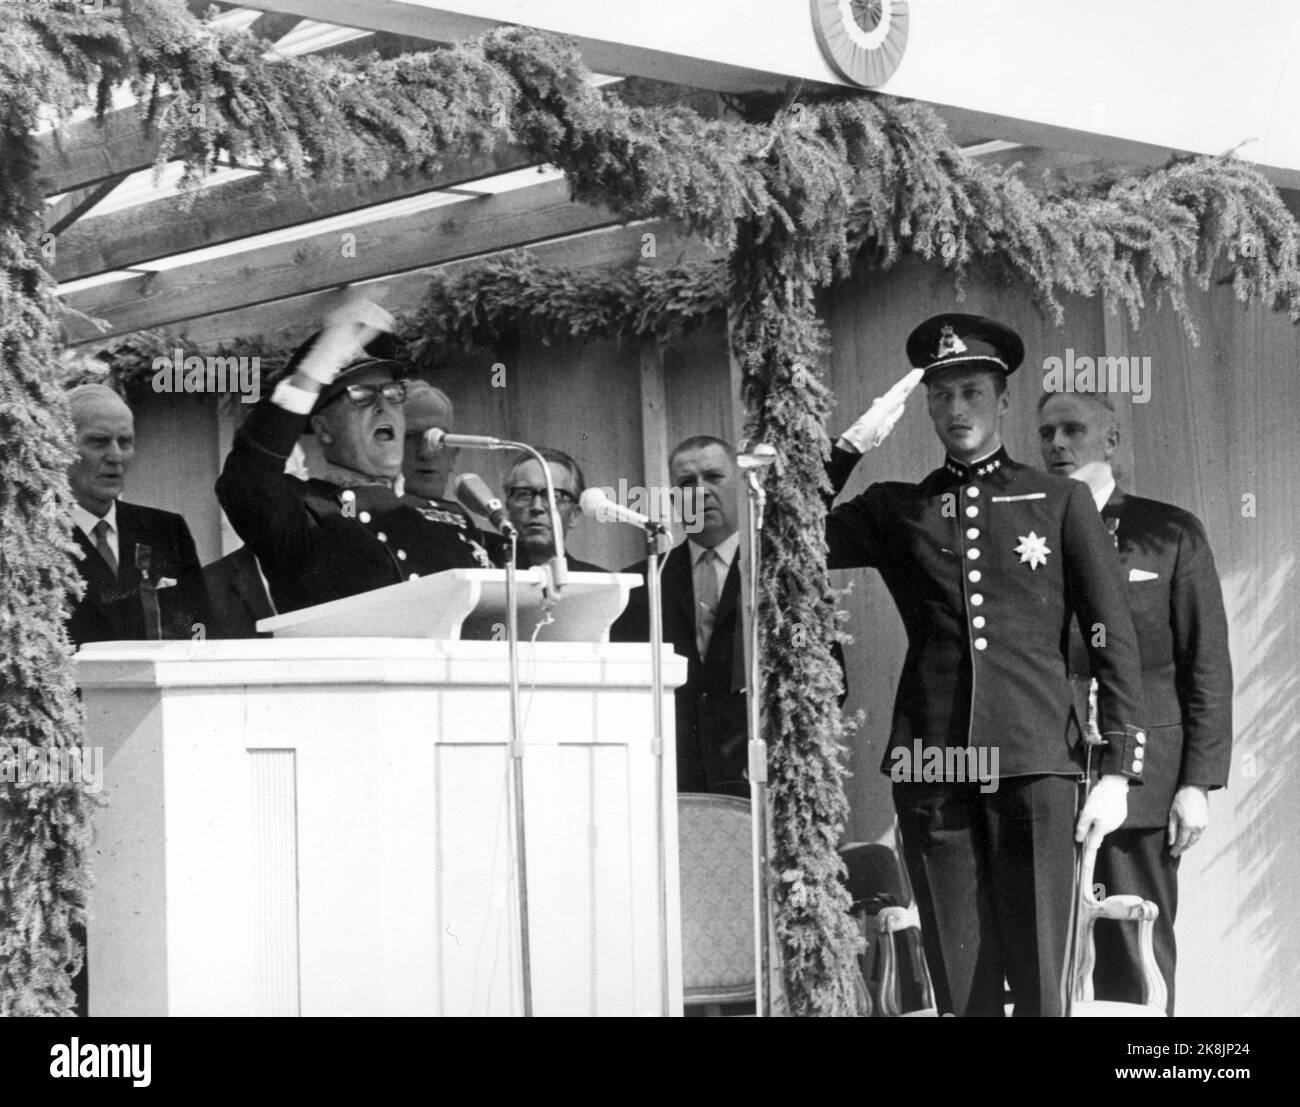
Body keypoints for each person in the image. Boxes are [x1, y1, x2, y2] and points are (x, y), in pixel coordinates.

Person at [824, 313, 1147, 1017]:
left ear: (1003, 399)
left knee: (1040, 986)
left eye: (972, 391)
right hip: (933, 765)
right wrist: (847, 448)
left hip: (1036, 758)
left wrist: (1118, 768)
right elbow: (784, 534)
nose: (957, 409)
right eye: (941, 396)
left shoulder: (1059, 500)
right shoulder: (897, 508)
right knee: (960, 982)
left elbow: (1111, 634)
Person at [1038, 389, 1233, 1013]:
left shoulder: (1166, 533)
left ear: (1111, 442)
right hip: (1050, 773)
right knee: (1050, 960)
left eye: (1072, 430)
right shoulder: (1027, 533)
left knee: (1135, 952)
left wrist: (1197, 783)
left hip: (1143, 786)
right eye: (1046, 434)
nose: (1057, 445)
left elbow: (1205, 663)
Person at [216, 299, 488, 614]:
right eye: (361, 397)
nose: (383, 405)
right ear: (324, 428)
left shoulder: (449, 515)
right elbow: (245, 481)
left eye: (393, 394)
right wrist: (314, 368)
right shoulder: (305, 510)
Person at [612, 436, 747, 795]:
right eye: (687, 483)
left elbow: (825, 675)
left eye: (713, 477)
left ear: (741, 485)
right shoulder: (641, 583)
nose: (700, 492)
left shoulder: (775, 570)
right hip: (669, 779)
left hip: (756, 776)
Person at [65, 384, 210, 648]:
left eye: (125, 442)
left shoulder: (167, 530)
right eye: (98, 442)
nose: (115, 457)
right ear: (61, 447)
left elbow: (201, 629)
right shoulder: (33, 540)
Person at [402, 380, 496, 568]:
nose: (425, 453)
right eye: (410, 437)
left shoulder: (480, 537)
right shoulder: (359, 516)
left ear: (453, 456)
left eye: (438, 439)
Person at [501, 448, 607, 573]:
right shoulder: (486, 573)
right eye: (524, 494)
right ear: (508, 506)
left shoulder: (596, 583)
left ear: (574, 515)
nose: (537, 507)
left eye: (553, 496)